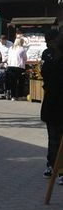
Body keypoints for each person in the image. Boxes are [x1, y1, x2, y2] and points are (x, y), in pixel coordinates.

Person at [41, 32, 63, 183]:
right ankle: (53, 166)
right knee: (54, 138)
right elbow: (47, 80)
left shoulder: (53, 61)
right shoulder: (50, 60)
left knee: (56, 138)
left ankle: (58, 168)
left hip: (54, 106)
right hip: (54, 107)